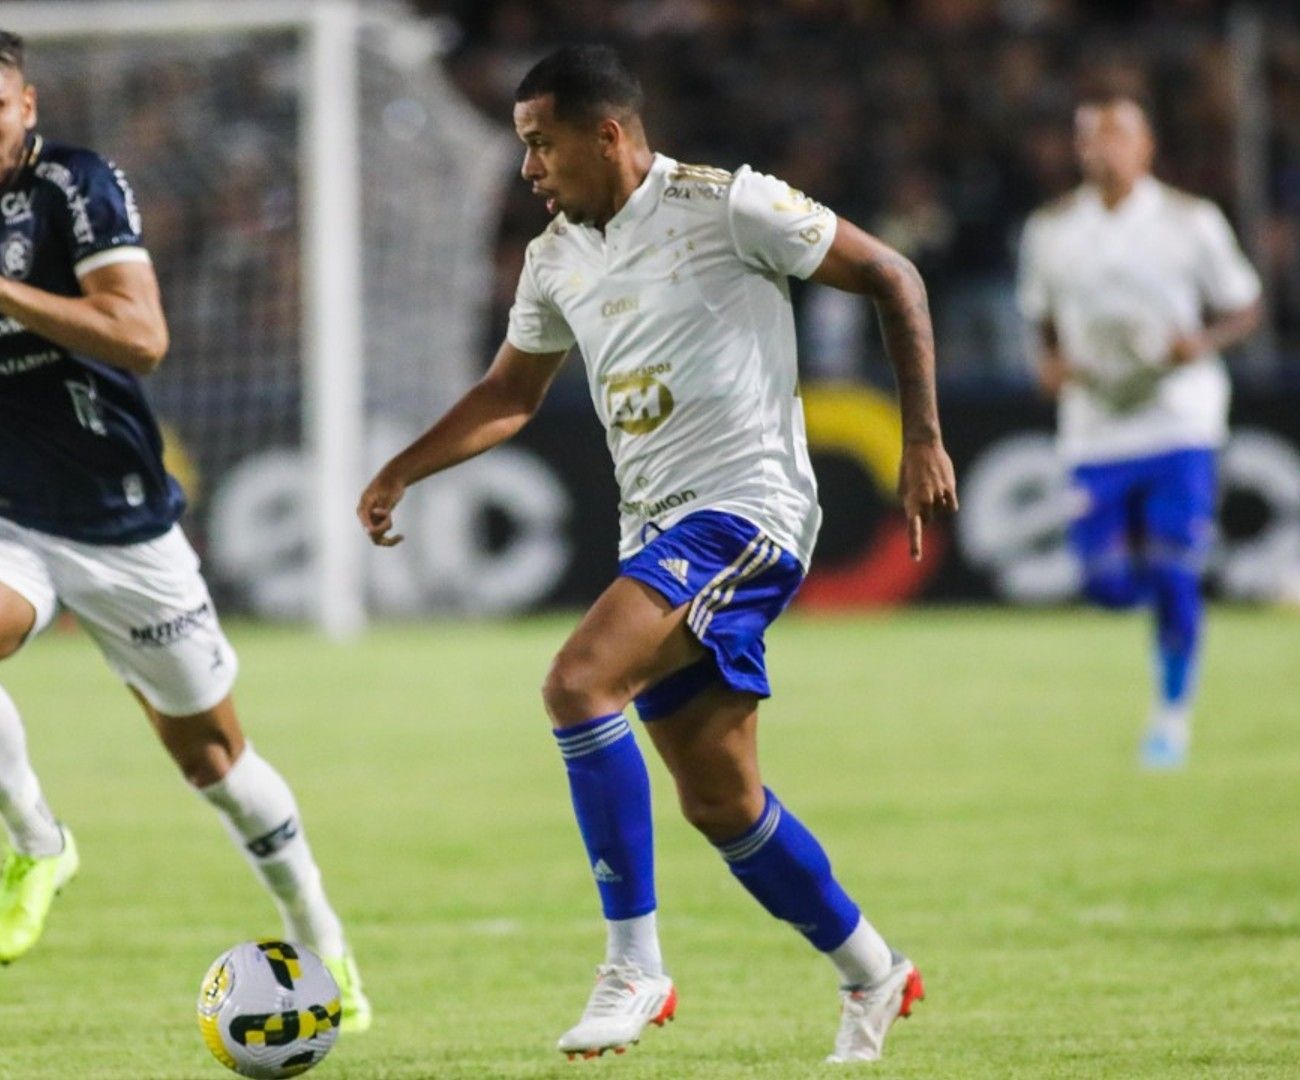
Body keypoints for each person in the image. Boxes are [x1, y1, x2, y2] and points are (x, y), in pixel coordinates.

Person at [357, 45, 956, 1064]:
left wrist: (922, 437)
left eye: (542, 145)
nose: (528, 169)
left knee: (578, 682)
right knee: (722, 802)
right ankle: (874, 970)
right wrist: (402, 470)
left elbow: (892, 276)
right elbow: (511, 395)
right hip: (660, 528)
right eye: (523, 148)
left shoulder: (729, 206)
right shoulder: (555, 257)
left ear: (610, 135)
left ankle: (634, 964)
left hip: (749, 510)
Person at [0, 20, 369, 1026]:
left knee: (217, 766)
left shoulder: (76, 188)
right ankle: (38, 842)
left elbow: (142, 338)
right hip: (0, 509)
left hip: (123, 524)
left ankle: (325, 944)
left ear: (28, 105)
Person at [1017, 91, 1262, 770]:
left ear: (1146, 145)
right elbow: (1041, 320)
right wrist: (1050, 362)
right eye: (1090, 135)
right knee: (1103, 583)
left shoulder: (1192, 221)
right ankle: (1164, 595)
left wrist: (1201, 344)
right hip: (1096, 428)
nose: (1103, 147)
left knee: (1177, 568)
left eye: (1118, 133)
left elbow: (1244, 308)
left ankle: (1171, 718)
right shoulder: (1051, 229)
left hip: (1180, 418)